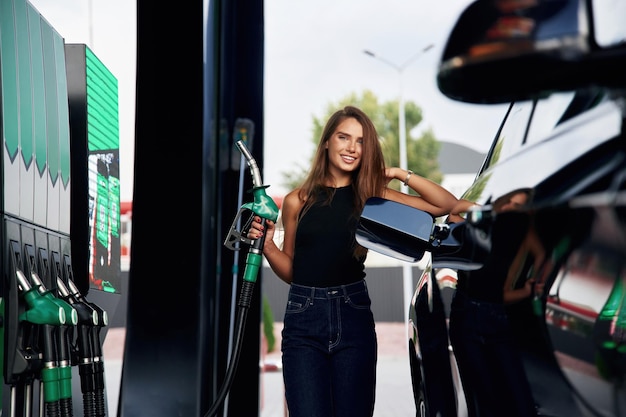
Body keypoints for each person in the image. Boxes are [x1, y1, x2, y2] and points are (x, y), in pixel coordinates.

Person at [247, 105, 458, 417]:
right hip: (303, 319)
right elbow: (294, 271)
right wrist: (267, 246)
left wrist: (401, 174)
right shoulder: (297, 200)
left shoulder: (371, 196)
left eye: (360, 141)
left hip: (353, 314)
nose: (351, 147)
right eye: (344, 137)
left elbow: (445, 205)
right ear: (327, 142)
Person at [447, 189, 540, 417]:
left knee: (519, 400)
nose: (510, 209)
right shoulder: (478, 225)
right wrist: (480, 210)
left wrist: (531, 287)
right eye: (509, 203)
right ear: (500, 202)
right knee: (483, 401)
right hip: (466, 314)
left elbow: (542, 256)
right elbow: (453, 213)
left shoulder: (520, 234)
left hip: (496, 315)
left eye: (518, 207)